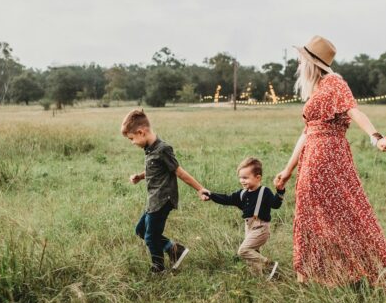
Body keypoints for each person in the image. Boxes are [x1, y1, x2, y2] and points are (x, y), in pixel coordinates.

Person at [273, 35, 386, 288]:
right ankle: (316, 276)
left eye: (301, 60)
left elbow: (354, 110)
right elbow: (307, 132)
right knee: (312, 216)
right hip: (313, 156)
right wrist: (287, 170)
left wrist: (376, 137)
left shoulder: (334, 82)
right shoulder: (317, 88)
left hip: (327, 156)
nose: (298, 64)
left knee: (344, 214)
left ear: (311, 63)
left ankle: (353, 272)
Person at [121, 109, 206, 273]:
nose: (132, 142)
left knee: (151, 236)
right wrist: (140, 176)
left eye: (132, 139)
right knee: (141, 230)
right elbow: (156, 170)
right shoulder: (150, 149)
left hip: (162, 200)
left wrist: (200, 189)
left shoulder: (163, 149)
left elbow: (179, 172)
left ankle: (158, 268)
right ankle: (174, 250)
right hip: (153, 200)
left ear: (141, 132)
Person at [201, 157, 283, 280]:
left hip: (261, 228)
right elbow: (227, 199)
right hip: (248, 227)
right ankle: (260, 279)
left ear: (258, 177)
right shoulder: (242, 193)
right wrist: (211, 195)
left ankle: (269, 264)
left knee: (243, 251)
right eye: (240, 177)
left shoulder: (264, 192)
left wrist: (280, 191)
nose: (242, 181)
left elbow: (275, 204)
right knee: (253, 257)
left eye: (245, 177)